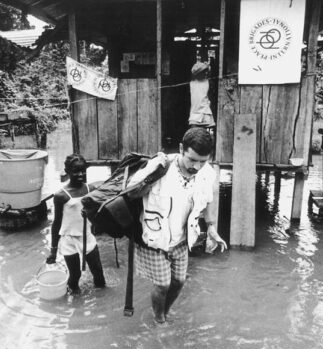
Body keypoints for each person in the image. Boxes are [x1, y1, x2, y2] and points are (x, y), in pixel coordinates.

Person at [129, 127, 227, 323]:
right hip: (154, 237)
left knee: (179, 281)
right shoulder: (160, 165)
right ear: (181, 149)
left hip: (182, 239)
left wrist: (212, 228)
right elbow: (131, 193)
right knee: (162, 285)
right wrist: (150, 178)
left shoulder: (207, 173)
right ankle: (159, 319)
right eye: (192, 160)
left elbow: (207, 200)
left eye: (202, 161)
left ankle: (165, 311)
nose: (197, 167)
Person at [46, 154, 106, 294]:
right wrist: (53, 251)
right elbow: (56, 223)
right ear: (67, 171)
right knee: (75, 276)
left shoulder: (90, 189)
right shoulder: (61, 195)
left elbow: (98, 211)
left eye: (82, 170)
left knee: (98, 272)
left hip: (87, 236)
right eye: (76, 171)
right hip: (69, 239)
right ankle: (74, 305)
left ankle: (102, 301)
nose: (80, 174)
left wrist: (91, 214)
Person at [188, 61, 215, 129]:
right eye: (203, 71)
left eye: (206, 71)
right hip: (195, 113)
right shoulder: (192, 83)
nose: (206, 73)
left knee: (206, 134)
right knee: (195, 133)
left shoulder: (208, 82)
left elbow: (210, 96)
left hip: (205, 112)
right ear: (198, 73)